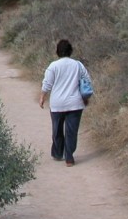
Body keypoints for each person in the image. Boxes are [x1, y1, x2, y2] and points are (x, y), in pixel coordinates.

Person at [38, 39, 92, 167]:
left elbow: (47, 84)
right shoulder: (78, 65)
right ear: (70, 51)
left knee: (57, 130)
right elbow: (87, 80)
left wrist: (42, 97)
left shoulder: (53, 66)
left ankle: (57, 153)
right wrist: (86, 97)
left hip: (57, 104)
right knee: (71, 131)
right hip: (75, 103)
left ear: (57, 52)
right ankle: (69, 157)